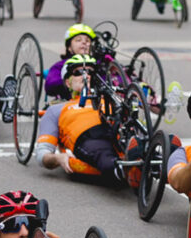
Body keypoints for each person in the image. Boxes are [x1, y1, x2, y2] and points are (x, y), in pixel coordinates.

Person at [34, 54, 136, 186]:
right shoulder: (56, 110)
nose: (86, 75)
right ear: (67, 82)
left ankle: (152, 158)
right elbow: (43, 153)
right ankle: (125, 170)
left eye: (90, 72)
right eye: (78, 72)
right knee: (103, 153)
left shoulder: (110, 100)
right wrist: (57, 158)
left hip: (118, 132)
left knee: (145, 141)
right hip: (89, 138)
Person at [44, 23, 100, 98]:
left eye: (87, 41)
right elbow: (50, 86)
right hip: (68, 103)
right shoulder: (61, 65)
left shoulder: (98, 63)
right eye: (78, 40)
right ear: (69, 47)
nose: (84, 42)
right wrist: (72, 81)